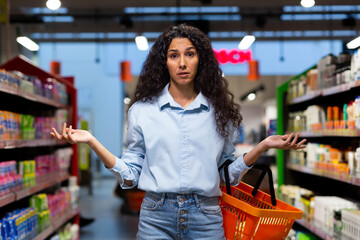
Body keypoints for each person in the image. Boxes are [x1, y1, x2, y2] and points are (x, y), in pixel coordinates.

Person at [50, 24, 306, 240]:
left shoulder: (220, 112)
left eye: (190, 54)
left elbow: (227, 174)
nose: (182, 63)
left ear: (200, 60)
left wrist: (261, 147)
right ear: (165, 62)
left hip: (206, 217)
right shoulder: (143, 111)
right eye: (174, 55)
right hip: (155, 216)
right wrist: (93, 142)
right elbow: (129, 176)